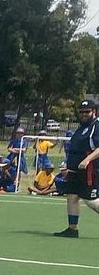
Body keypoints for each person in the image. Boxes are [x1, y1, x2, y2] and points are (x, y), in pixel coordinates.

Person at [52, 99, 99, 238]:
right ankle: (72, 229)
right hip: (75, 171)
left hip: (89, 171)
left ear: (94, 111)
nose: (84, 114)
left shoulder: (96, 126)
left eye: (87, 111)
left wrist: (87, 160)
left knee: (91, 200)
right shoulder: (82, 127)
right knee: (72, 196)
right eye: (82, 111)